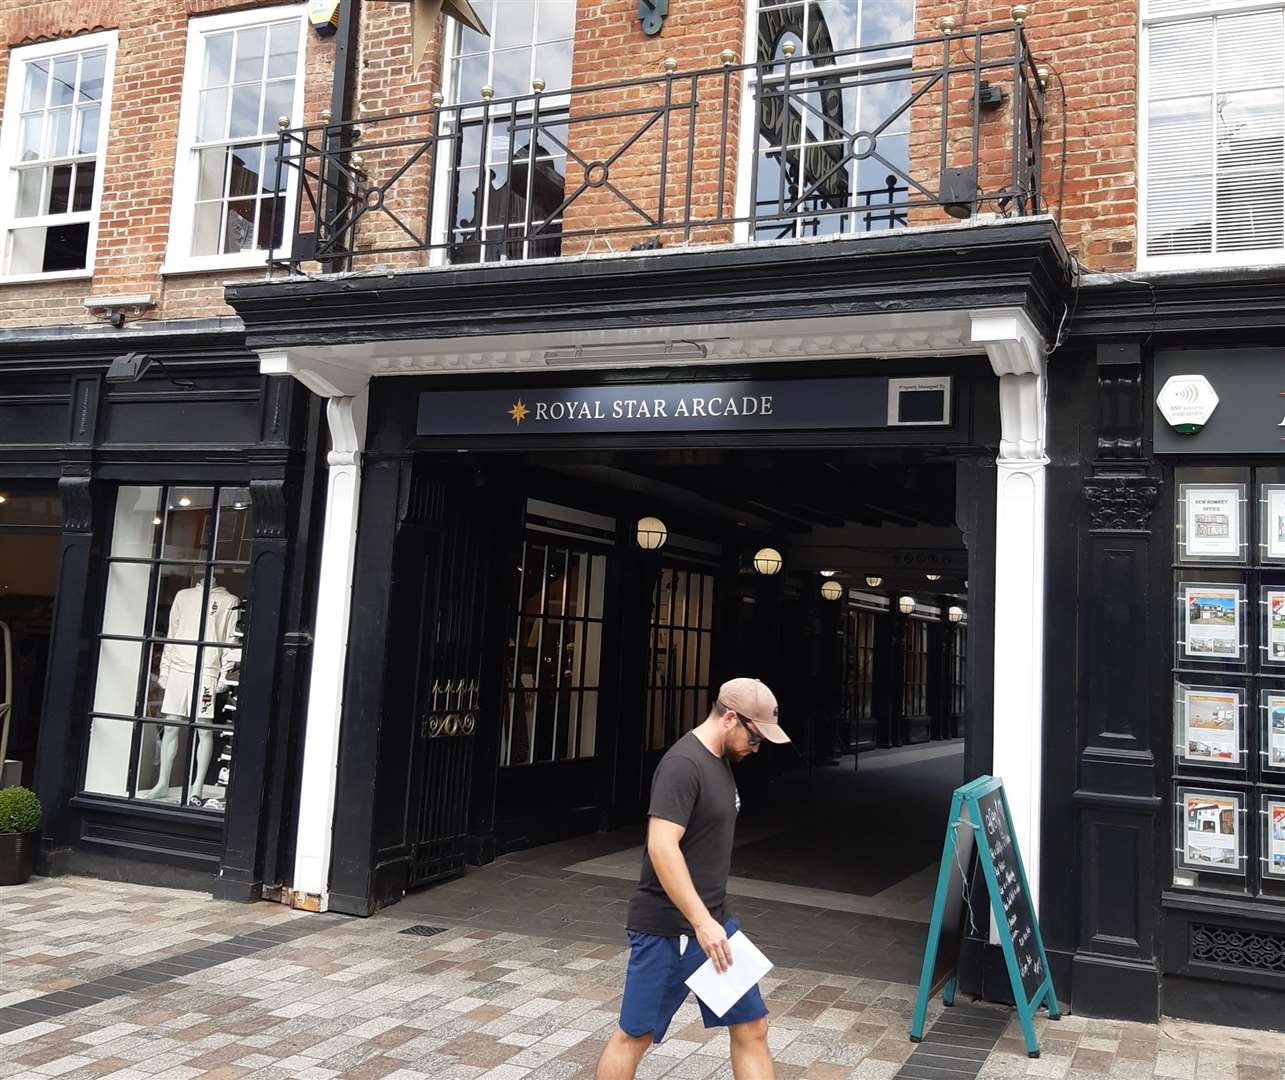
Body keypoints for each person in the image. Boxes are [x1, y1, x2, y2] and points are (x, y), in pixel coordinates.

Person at [595, 678, 790, 1080]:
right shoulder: (683, 765)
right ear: (730, 718)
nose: (757, 749)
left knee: (753, 1025)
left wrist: (708, 922)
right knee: (635, 1036)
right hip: (669, 930)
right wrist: (700, 922)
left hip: (712, 927)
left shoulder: (718, 758)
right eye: (755, 739)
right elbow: (661, 846)